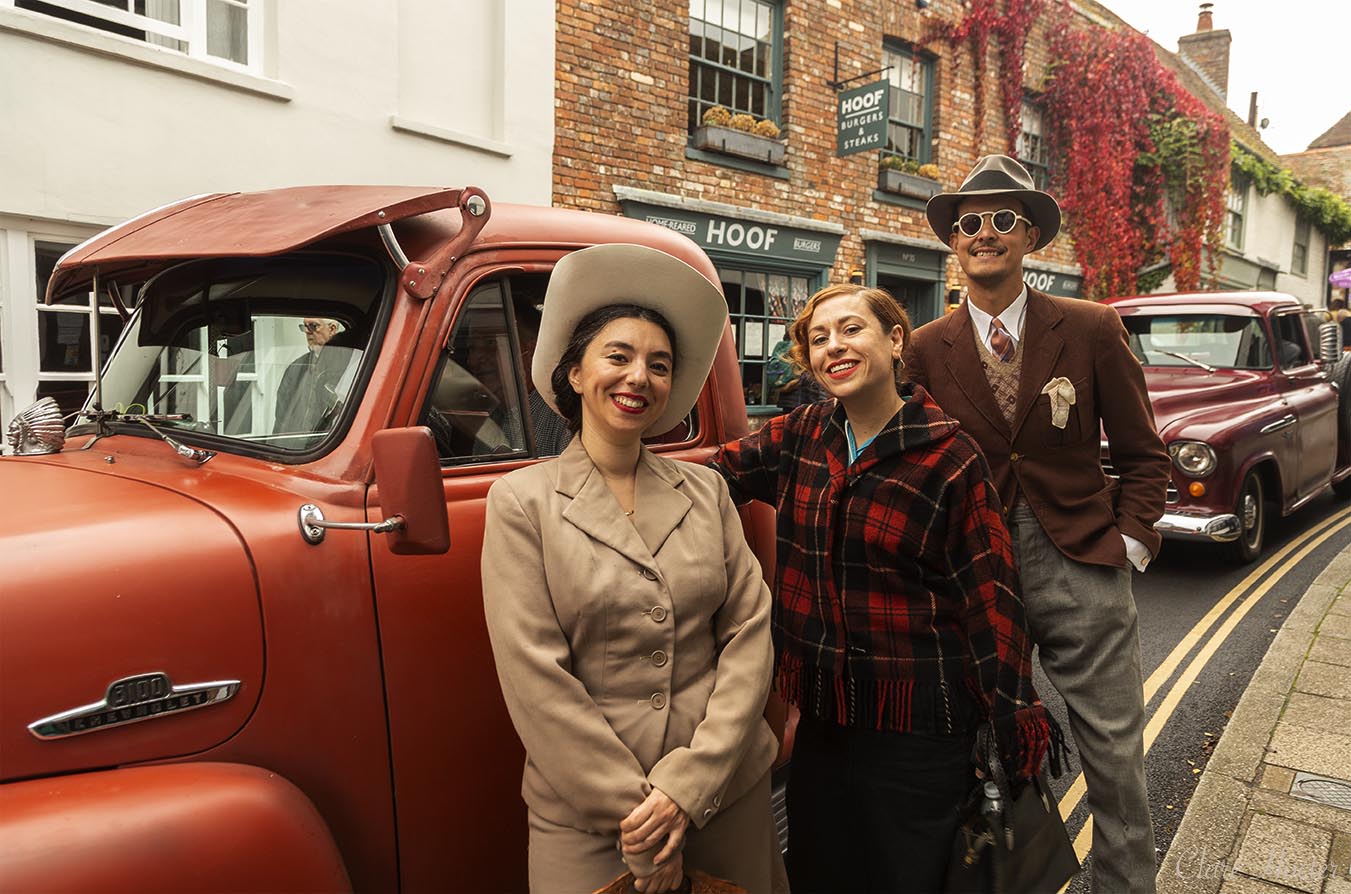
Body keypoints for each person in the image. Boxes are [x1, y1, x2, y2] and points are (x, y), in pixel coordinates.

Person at [710, 282, 1056, 892]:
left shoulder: (950, 457)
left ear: (895, 341)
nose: (834, 347)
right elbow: (713, 477)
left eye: (851, 329)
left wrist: (1008, 712)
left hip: (920, 727)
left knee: (908, 876)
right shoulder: (802, 433)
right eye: (819, 339)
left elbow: (992, 596)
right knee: (819, 870)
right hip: (824, 717)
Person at [905, 154, 1171, 893]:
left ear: (1029, 237)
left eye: (1001, 220)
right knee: (987, 749)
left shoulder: (1089, 327)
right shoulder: (924, 348)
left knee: (1114, 755)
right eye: (969, 223)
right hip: (973, 570)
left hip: (1079, 559)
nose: (983, 233)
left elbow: (1144, 452)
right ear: (953, 242)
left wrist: (1127, 543)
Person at [480, 243, 781, 893]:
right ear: (575, 373)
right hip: (588, 819)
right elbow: (534, 677)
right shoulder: (521, 503)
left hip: (724, 794)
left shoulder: (705, 490)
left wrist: (686, 789)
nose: (638, 377)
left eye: (658, 365)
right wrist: (641, 819)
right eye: (617, 356)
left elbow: (748, 634)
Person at [274, 317, 352, 436]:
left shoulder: (349, 364)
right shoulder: (296, 367)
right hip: (295, 441)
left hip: (330, 441)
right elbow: (281, 416)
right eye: (304, 326)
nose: (307, 331)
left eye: (313, 326)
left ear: (332, 329)